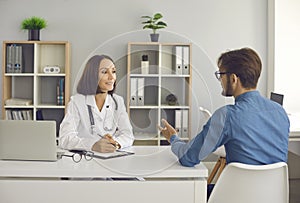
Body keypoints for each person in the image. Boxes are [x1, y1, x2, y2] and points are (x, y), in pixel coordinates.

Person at [158, 47, 289, 167]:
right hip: (275, 192)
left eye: (221, 75)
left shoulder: (227, 115)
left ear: (233, 79)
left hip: (235, 192)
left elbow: (188, 157)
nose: (220, 81)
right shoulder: (280, 112)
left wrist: (173, 138)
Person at [59, 55, 134, 153]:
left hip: (109, 158)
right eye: (104, 72)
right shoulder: (77, 102)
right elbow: (65, 138)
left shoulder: (118, 101)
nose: (112, 77)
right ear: (92, 75)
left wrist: (115, 143)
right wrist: (92, 145)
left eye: (113, 71)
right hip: (83, 160)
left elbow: (128, 135)